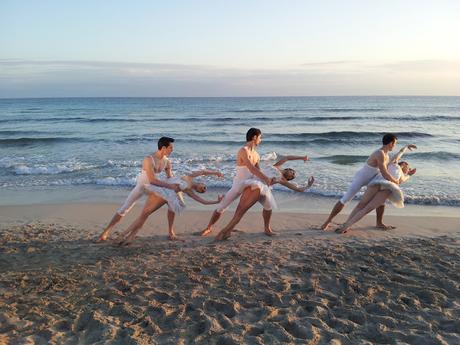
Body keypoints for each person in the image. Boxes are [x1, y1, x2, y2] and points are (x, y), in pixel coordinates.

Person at [214, 155, 315, 241]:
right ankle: (226, 231)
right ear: (287, 169)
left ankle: (267, 229)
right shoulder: (277, 166)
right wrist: (302, 157)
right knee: (241, 210)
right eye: (292, 171)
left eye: (293, 175)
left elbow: (297, 189)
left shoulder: (282, 180)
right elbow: (287, 157)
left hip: (264, 189)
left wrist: (308, 186)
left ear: (289, 178)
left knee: (268, 207)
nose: (292, 173)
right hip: (254, 184)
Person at [97, 137, 179, 242]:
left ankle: (170, 231)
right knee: (125, 208)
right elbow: (152, 180)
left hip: (154, 188)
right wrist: (170, 186)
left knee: (171, 201)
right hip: (142, 186)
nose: (172, 150)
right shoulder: (148, 159)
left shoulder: (167, 162)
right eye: (171, 147)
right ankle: (105, 232)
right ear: (163, 147)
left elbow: (170, 178)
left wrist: (179, 184)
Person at [114, 170, 224, 245]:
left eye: (202, 191)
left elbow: (203, 202)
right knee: (145, 214)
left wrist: (216, 201)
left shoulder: (189, 191)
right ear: (202, 182)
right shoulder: (189, 176)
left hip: (168, 195)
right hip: (162, 190)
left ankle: (126, 235)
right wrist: (216, 173)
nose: (202, 189)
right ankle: (124, 235)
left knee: (147, 214)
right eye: (203, 187)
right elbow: (203, 172)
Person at [200, 128, 274, 237]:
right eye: (260, 137)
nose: (261, 140)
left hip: (252, 183)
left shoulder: (257, 155)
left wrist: (268, 179)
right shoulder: (243, 150)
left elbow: (258, 171)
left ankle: (267, 228)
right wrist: (266, 178)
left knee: (268, 204)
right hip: (239, 184)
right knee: (222, 206)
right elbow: (251, 168)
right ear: (254, 137)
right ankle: (209, 227)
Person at [320, 133, 401, 231]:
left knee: (381, 199)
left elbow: (391, 163)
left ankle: (379, 223)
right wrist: (395, 180)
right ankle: (327, 222)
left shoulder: (387, 155)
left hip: (372, 178)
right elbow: (384, 172)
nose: (395, 146)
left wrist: (404, 150)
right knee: (346, 199)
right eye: (395, 143)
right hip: (361, 177)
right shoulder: (380, 153)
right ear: (391, 143)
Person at [336, 144, 417, 234]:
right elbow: (400, 152)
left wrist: (409, 174)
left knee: (365, 207)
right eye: (408, 168)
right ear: (404, 164)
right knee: (363, 206)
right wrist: (406, 147)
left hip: (383, 185)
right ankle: (346, 224)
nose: (408, 169)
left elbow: (403, 179)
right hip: (382, 184)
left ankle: (346, 225)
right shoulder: (394, 162)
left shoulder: (399, 172)